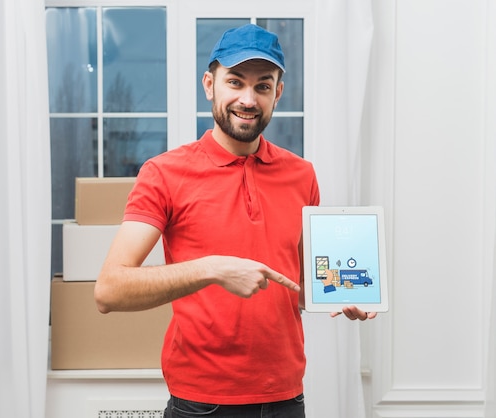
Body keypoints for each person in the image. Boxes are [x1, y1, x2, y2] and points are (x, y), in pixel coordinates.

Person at [94, 23, 376, 418]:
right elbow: (109, 290)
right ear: (209, 84)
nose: (248, 98)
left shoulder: (302, 175)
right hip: (201, 403)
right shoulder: (164, 173)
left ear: (277, 93)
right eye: (235, 82)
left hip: (285, 398)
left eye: (262, 86)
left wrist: (346, 293)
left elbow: (297, 285)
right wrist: (211, 268)